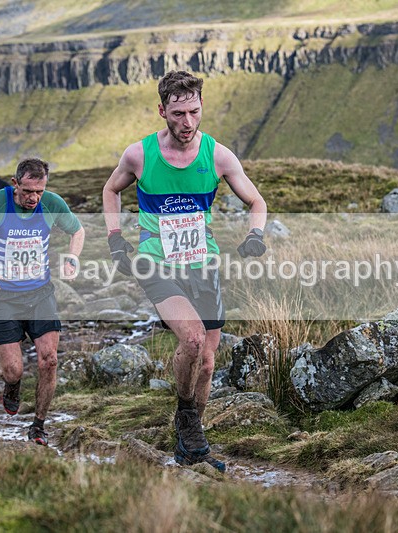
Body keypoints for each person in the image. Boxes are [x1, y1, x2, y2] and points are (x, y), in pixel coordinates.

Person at [102, 70, 267, 472]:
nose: (187, 123)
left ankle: (191, 442)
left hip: (202, 264)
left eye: (193, 111)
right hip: (156, 263)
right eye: (177, 114)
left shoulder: (219, 156)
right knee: (192, 340)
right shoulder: (139, 155)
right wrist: (115, 239)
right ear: (163, 111)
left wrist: (256, 236)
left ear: (201, 107)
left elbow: (256, 202)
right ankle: (187, 420)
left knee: (207, 361)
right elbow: (110, 190)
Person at [0, 157, 85, 445]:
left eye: (39, 191)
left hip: (40, 293)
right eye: (28, 191)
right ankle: (12, 385)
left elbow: (77, 230)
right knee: (13, 369)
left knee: (49, 360)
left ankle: (38, 425)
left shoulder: (52, 203)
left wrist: (73, 257)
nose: (34, 198)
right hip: (3, 297)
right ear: (15, 183)